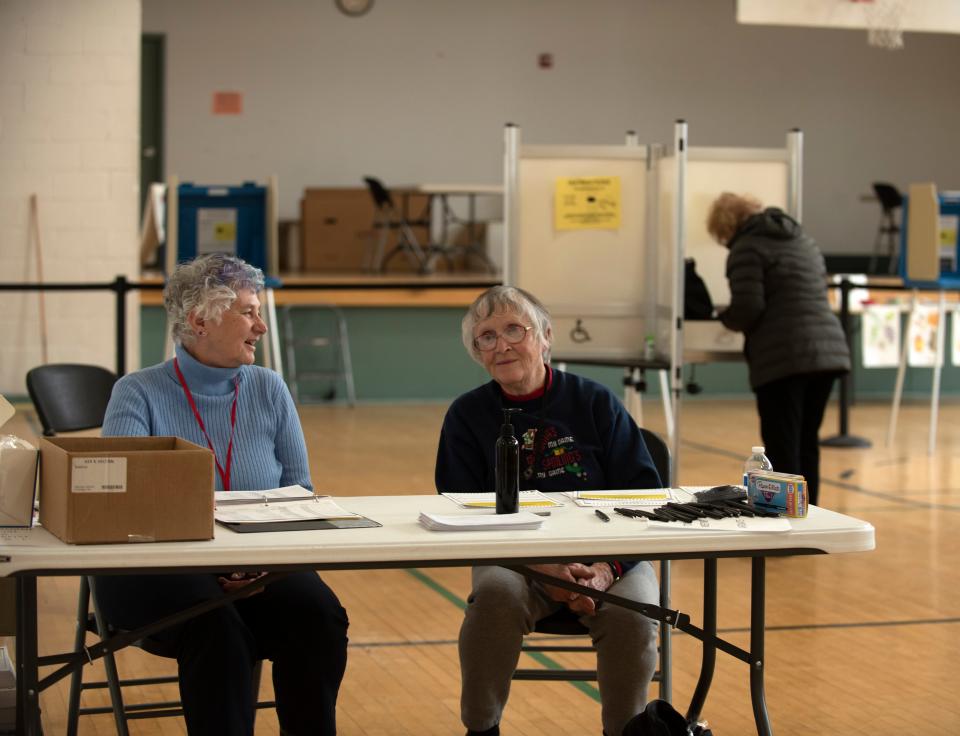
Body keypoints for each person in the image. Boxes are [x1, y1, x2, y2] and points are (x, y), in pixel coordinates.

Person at [97, 254, 348, 736]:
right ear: (199, 321)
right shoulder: (137, 393)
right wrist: (215, 564)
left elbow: (301, 495)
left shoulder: (270, 388)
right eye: (249, 312)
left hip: (260, 564)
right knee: (218, 627)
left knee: (319, 617)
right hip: (157, 567)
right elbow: (125, 504)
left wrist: (259, 563)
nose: (262, 326)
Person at [435, 285, 662, 736]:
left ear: (545, 337)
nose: (502, 345)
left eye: (515, 330)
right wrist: (545, 568)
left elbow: (645, 495)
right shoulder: (466, 416)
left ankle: (625, 730)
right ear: (477, 352)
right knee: (495, 598)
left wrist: (605, 570)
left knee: (633, 612)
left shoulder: (595, 403)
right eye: (487, 337)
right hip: (513, 558)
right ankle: (482, 728)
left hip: (608, 553)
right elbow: (457, 508)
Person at [707, 192, 851, 506]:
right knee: (806, 441)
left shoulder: (747, 247)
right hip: (828, 352)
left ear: (725, 226)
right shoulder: (803, 240)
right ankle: (809, 516)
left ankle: (785, 517)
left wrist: (722, 317)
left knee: (782, 443)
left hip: (784, 357)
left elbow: (748, 308)